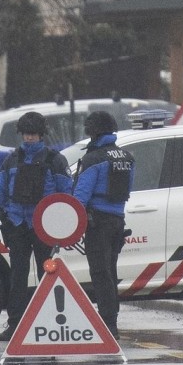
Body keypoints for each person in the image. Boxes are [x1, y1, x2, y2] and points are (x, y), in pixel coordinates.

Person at [0, 111, 72, 339]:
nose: (29, 138)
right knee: (18, 276)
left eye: (33, 134)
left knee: (48, 275)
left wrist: (66, 225)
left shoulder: (55, 160)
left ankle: (51, 321)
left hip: (44, 226)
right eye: (26, 134)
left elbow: (66, 195)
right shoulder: (11, 160)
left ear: (41, 134)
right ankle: (15, 324)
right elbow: (0, 191)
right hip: (16, 223)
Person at [73, 110, 134, 337]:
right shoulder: (126, 157)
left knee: (100, 273)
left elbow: (81, 196)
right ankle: (112, 319)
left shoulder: (93, 159)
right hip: (117, 221)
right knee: (110, 271)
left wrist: (72, 224)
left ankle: (108, 324)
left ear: (93, 132)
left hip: (96, 222)